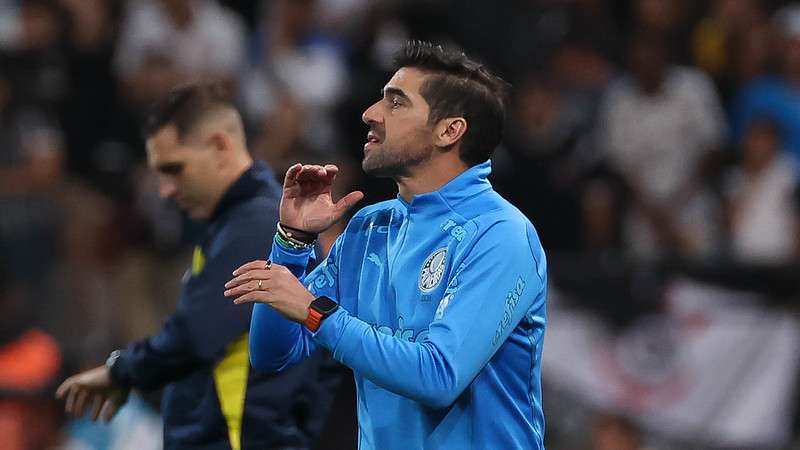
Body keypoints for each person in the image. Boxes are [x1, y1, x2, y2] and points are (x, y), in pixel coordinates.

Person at [224, 41, 548, 450]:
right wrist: (293, 244)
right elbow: (273, 354)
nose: (370, 113)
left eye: (396, 104)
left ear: (449, 130)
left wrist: (314, 312)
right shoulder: (368, 229)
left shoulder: (500, 234)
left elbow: (438, 377)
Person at [56, 83, 337, 450]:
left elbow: (196, 335)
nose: (166, 190)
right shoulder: (235, 224)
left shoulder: (256, 225)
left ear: (220, 146)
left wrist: (122, 370)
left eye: (174, 169)